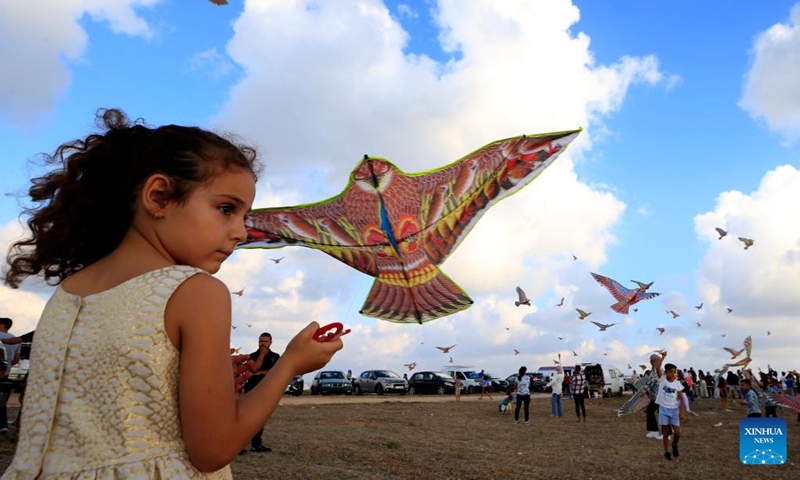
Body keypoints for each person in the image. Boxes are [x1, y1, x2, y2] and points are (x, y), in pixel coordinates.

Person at [0, 108, 344, 478]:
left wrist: (176, 380)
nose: (241, 232)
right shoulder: (197, 292)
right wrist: (291, 363)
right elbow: (212, 450)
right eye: (226, 209)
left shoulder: (68, 293)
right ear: (159, 196)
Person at [240, 332, 281, 453]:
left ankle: (256, 444)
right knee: (245, 417)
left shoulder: (275, 356)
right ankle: (238, 446)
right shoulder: (253, 356)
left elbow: (276, 371)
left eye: (265, 342)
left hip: (266, 390)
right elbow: (253, 369)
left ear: (270, 343)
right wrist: (262, 355)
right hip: (251, 389)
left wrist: (261, 373)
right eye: (261, 341)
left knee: (260, 418)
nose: (262, 344)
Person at [655, 356, 685, 461]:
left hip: (674, 410)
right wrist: (663, 357)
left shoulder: (677, 384)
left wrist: (682, 412)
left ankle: (675, 444)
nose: (673, 374)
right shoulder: (662, 380)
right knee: (665, 431)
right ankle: (666, 452)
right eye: (671, 371)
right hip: (663, 408)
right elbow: (657, 368)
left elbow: (681, 398)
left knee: (677, 431)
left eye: (674, 372)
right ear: (666, 373)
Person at [0, 318, 21, 435]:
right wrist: (7, 365)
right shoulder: (16, 339)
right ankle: (2, 425)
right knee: (2, 402)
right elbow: (16, 360)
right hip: (5, 373)